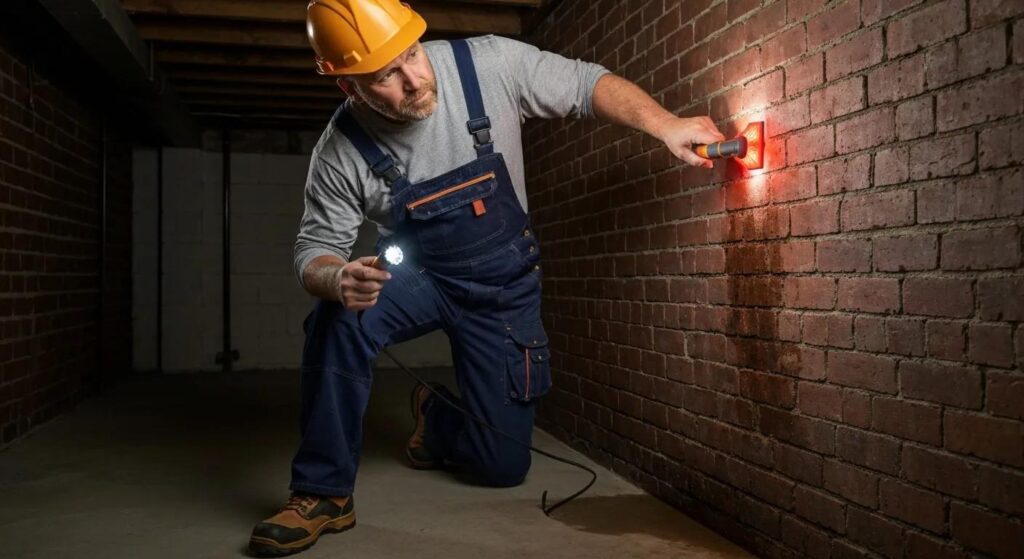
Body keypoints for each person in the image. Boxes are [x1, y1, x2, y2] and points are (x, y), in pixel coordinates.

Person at [248, 0, 725, 556]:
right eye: (386, 76)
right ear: (348, 88)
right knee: (336, 318)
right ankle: (322, 494)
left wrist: (665, 125)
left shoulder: (488, 64)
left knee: (502, 467)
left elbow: (583, 83)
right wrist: (335, 280)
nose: (414, 81)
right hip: (420, 279)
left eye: (412, 56)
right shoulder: (340, 150)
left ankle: (439, 416)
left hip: (503, 288)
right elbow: (316, 248)